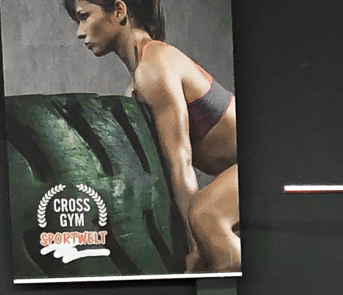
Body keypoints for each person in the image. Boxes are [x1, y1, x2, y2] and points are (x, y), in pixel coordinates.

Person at [64, 0, 240, 274]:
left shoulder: (154, 67)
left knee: (205, 216)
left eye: (85, 17)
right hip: (243, 171)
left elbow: (180, 164)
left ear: (119, 11)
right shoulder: (142, 75)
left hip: (270, 164)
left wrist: (196, 247)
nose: (80, 32)